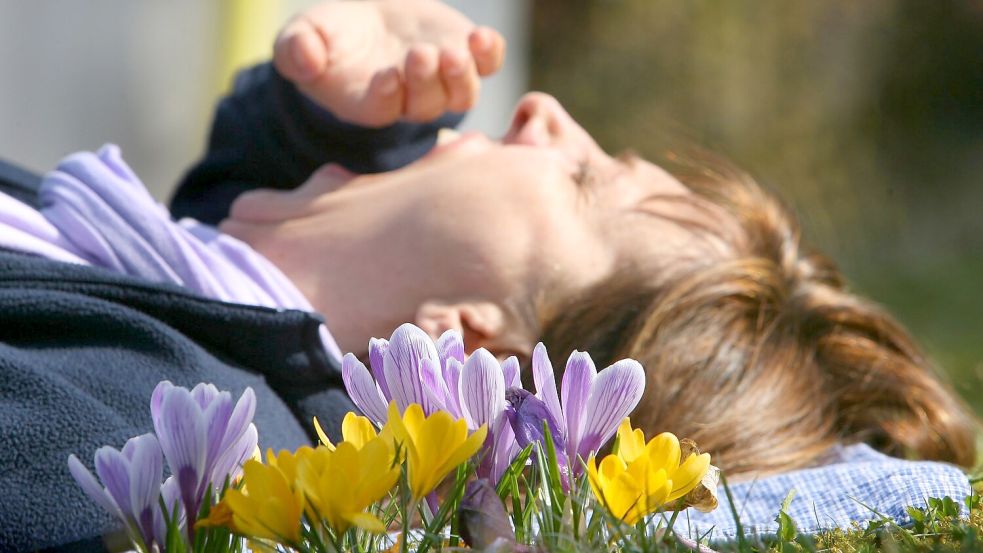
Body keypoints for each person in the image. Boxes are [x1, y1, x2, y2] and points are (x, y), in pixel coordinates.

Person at [0, 0, 974, 549]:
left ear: (466, 345)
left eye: (584, 178)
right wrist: (320, 127)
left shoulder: (152, 454)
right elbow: (209, 270)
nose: (543, 113)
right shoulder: (194, 323)